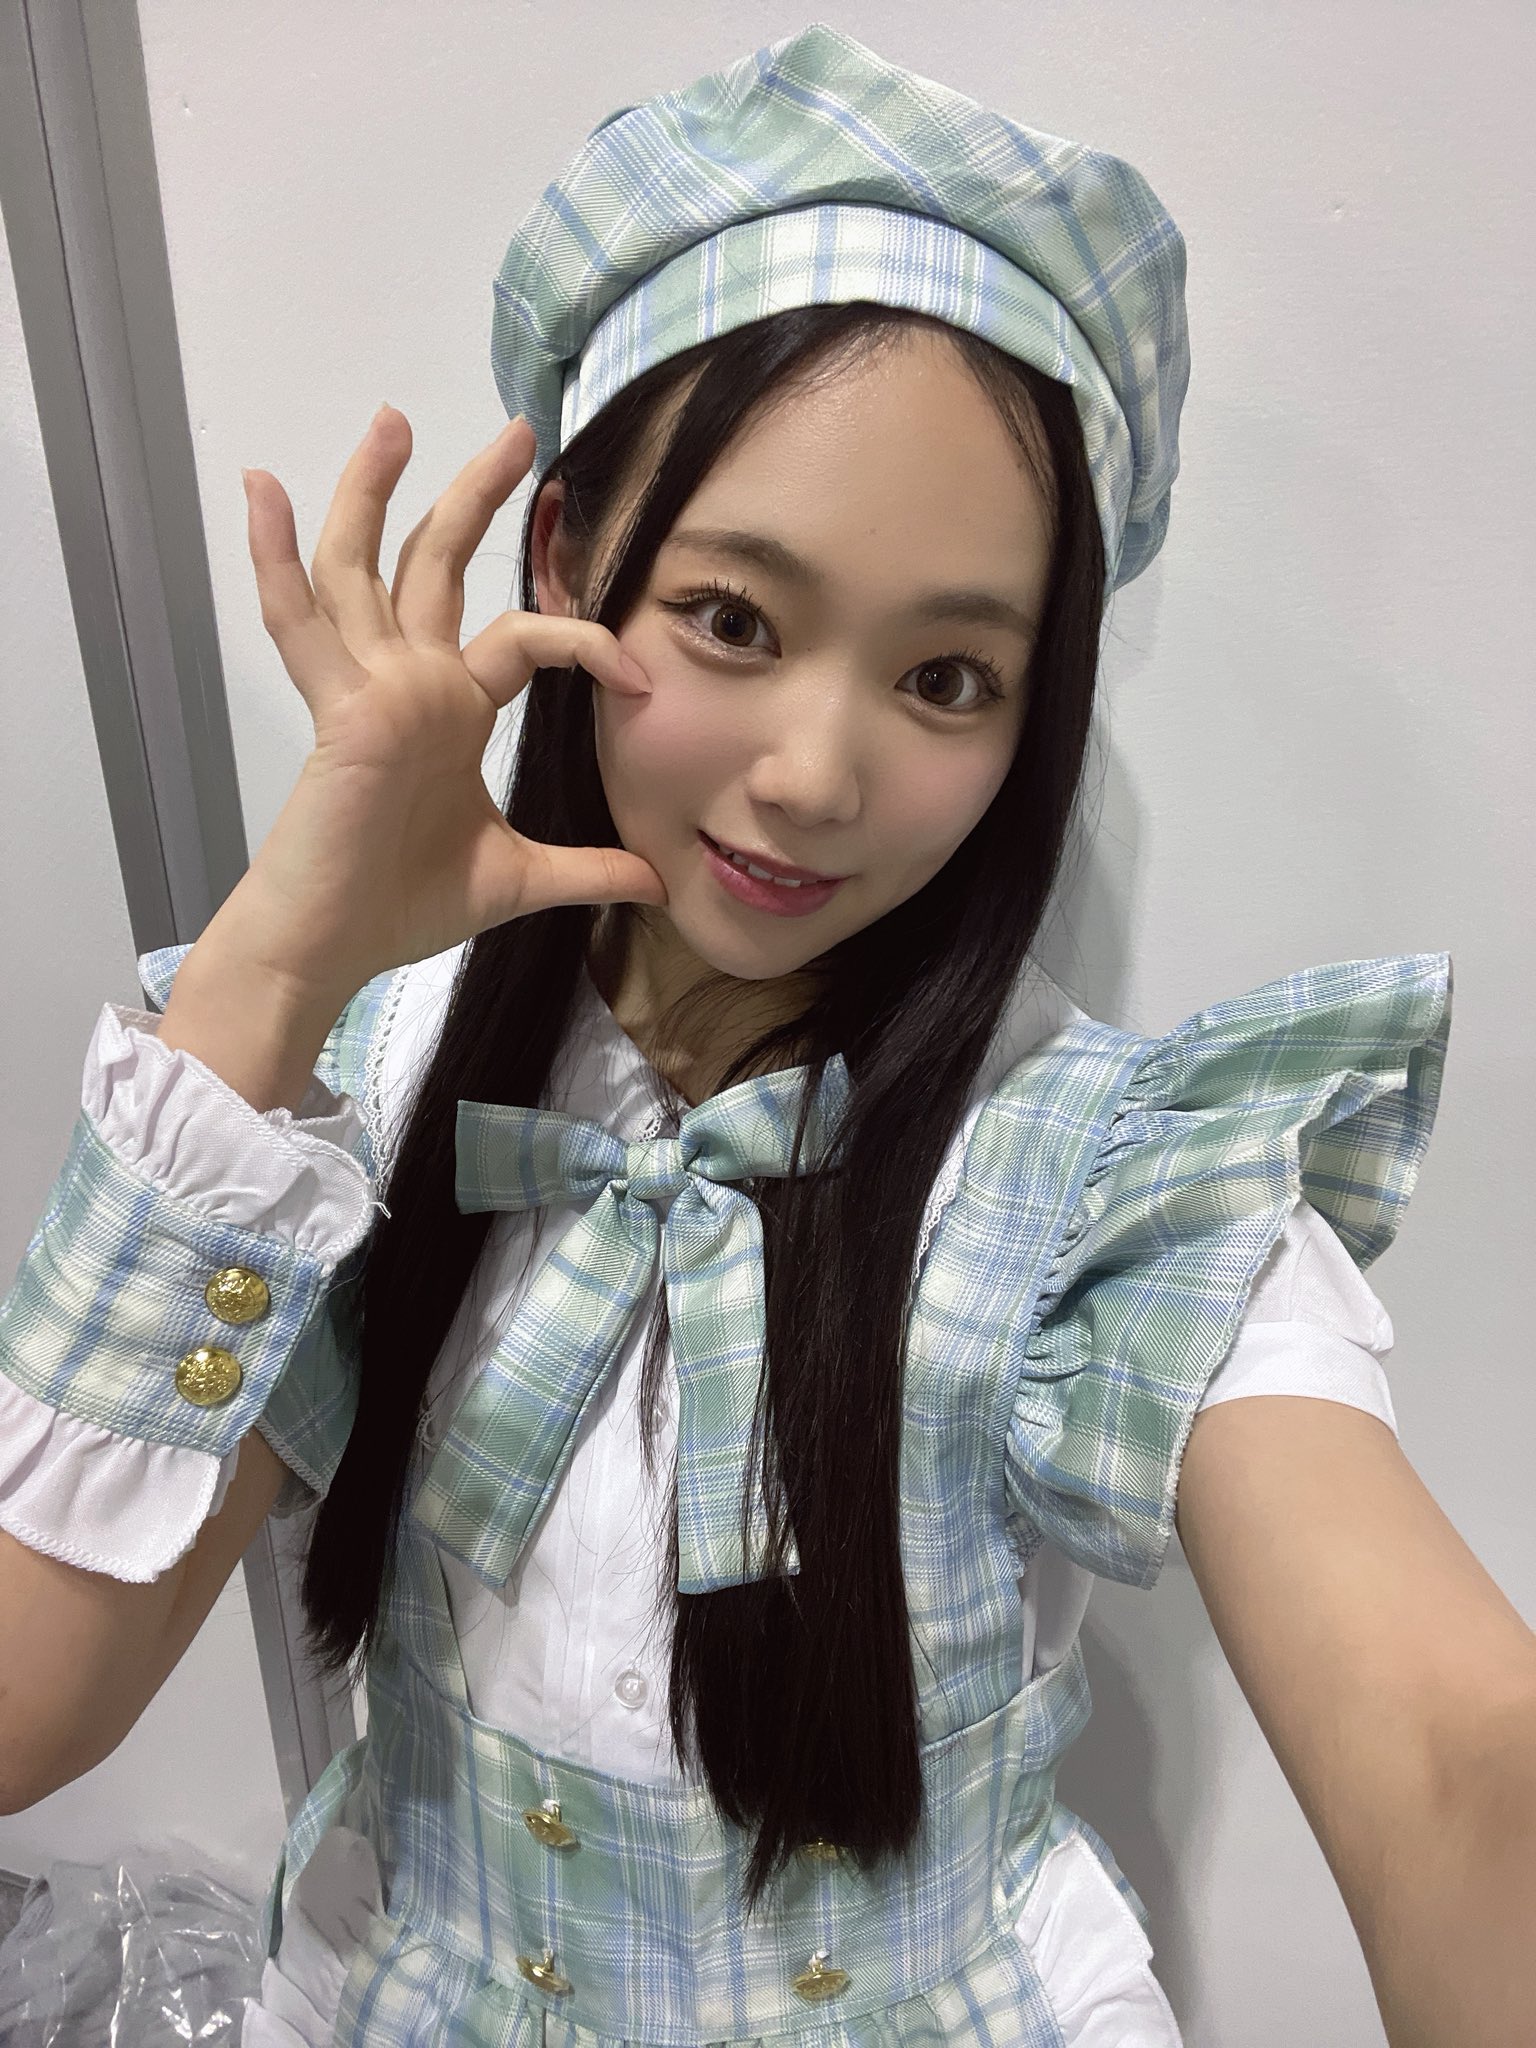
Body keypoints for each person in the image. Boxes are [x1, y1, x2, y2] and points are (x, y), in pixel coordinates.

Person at [0, 22, 1523, 2048]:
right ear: (566, 558)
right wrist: (278, 962)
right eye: (733, 618)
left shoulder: (1114, 1183)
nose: (815, 775)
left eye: (948, 676)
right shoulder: (360, 1087)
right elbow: (29, 1707)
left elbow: (1459, 1759)